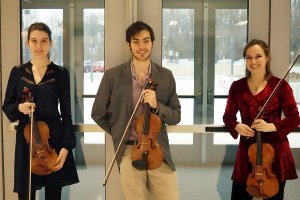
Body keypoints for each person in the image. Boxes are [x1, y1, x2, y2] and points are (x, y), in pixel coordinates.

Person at [91, 21, 181, 200]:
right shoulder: (112, 76)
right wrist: (119, 132)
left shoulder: (165, 76)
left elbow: (175, 116)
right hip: (129, 151)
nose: (142, 47)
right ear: (129, 44)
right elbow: (98, 113)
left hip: (158, 150)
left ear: (153, 43)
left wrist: (157, 106)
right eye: (136, 41)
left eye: (146, 41)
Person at [2, 22, 79, 200]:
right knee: (25, 194)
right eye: (34, 41)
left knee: (53, 194)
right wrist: (20, 107)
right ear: (27, 42)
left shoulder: (60, 73)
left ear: (51, 43)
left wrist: (67, 147)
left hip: (53, 141)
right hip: (27, 142)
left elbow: (67, 113)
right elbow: (7, 105)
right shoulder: (18, 72)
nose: (39, 46)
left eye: (44, 41)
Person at [223, 39, 300, 200]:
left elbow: (294, 118)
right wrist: (236, 126)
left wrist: (272, 126)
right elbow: (228, 117)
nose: (253, 61)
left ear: (267, 58)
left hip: (275, 155)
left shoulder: (281, 86)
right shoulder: (237, 87)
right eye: (249, 57)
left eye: (258, 56)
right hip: (247, 153)